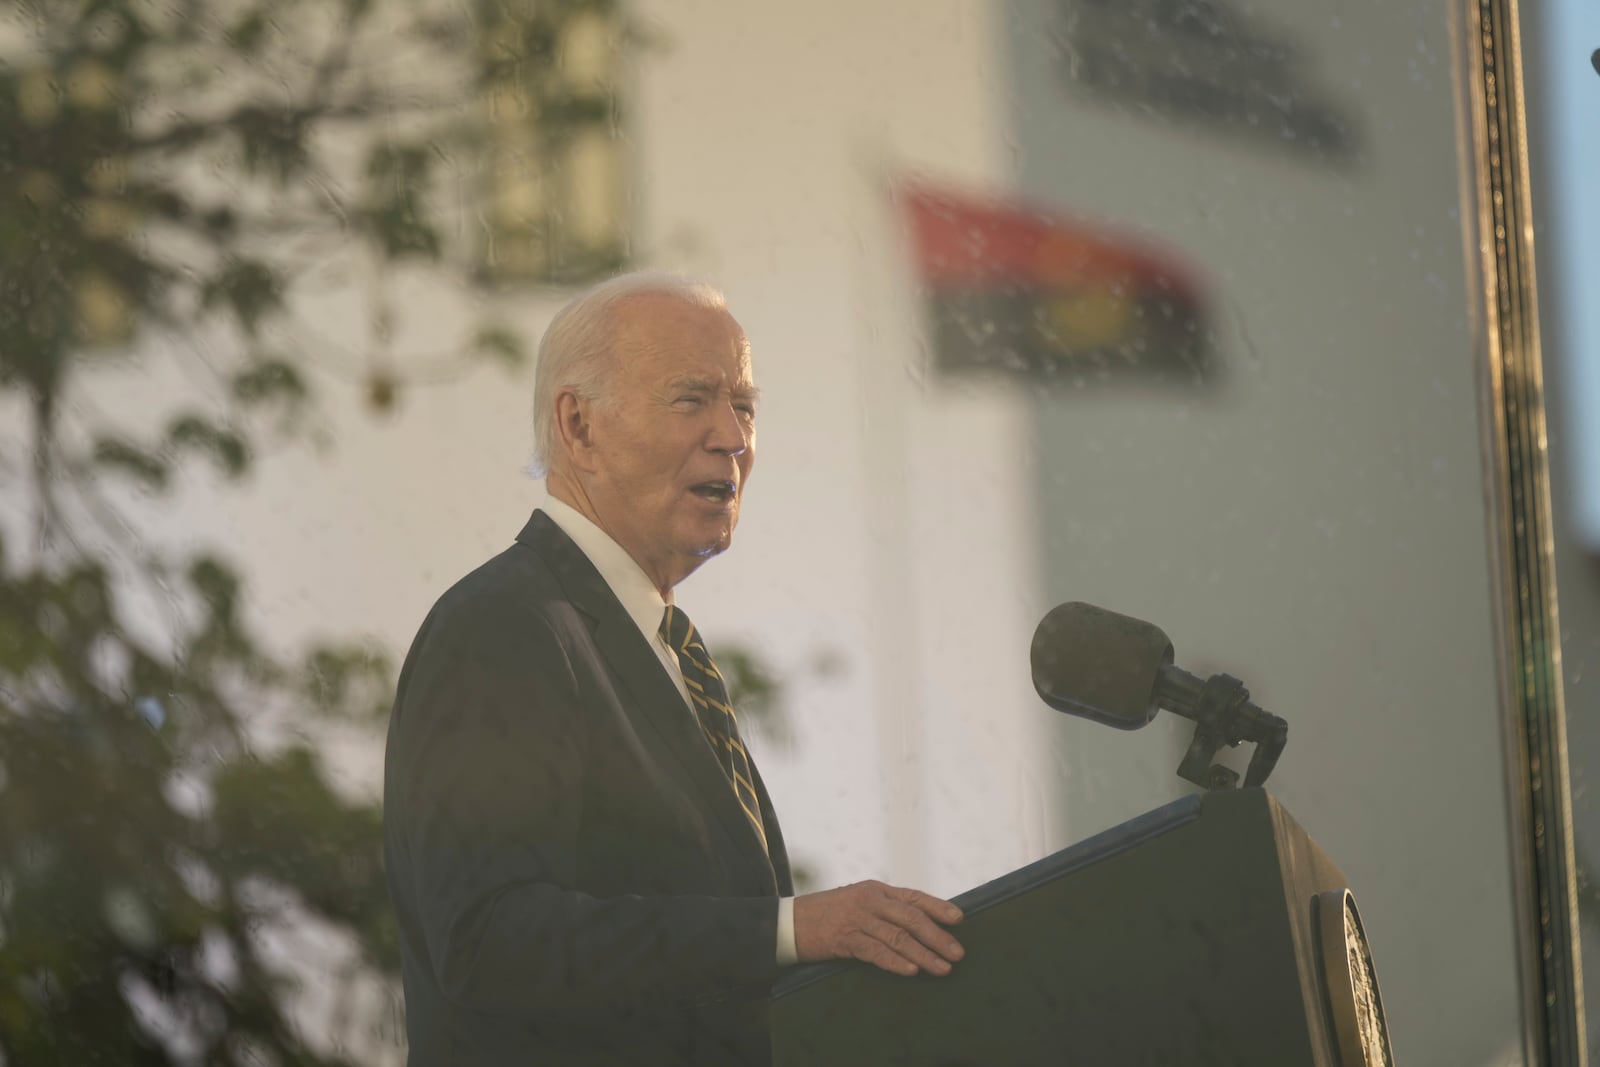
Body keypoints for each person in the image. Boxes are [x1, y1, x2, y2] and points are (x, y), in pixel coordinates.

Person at [382, 272, 966, 1066]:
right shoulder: (505, 625)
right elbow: (491, 941)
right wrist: (793, 929)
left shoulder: (665, 649)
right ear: (579, 424)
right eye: (693, 399)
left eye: (746, 406)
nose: (732, 436)